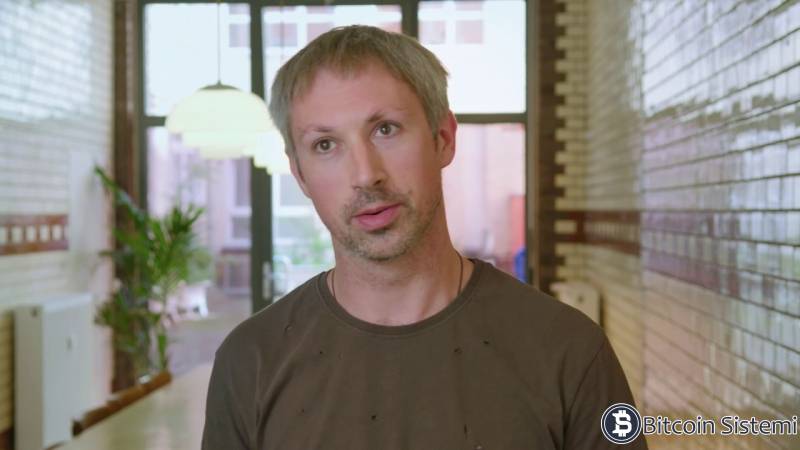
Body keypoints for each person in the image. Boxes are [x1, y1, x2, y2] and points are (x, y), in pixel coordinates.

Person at [202, 25, 647, 450]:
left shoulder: (569, 351)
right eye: (325, 145)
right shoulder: (250, 360)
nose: (365, 174)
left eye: (385, 129)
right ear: (299, 174)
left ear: (443, 138)